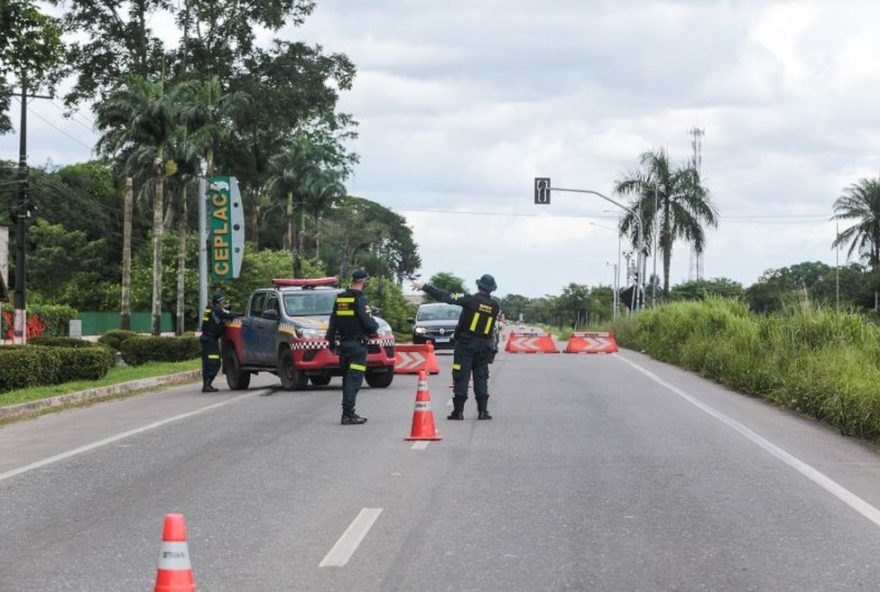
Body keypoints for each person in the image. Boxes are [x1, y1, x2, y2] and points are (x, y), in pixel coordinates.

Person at [412, 274, 501, 420]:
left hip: (465, 344)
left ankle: (458, 412)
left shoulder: (469, 300)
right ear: (492, 290)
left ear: (479, 286)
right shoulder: (495, 306)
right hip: (484, 346)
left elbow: (445, 296)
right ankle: (483, 411)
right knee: (481, 377)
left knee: (461, 376)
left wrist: (424, 287)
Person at [325, 270, 379, 425]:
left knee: (347, 378)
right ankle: (348, 414)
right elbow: (368, 323)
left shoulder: (341, 298)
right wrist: (374, 328)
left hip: (344, 346)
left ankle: (347, 412)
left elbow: (333, 322)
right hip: (357, 347)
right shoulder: (360, 299)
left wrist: (331, 342)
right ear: (363, 282)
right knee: (353, 379)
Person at [199, 293, 238, 392]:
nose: (223, 303)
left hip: (207, 339)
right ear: (219, 301)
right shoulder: (216, 310)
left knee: (207, 363)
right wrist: (239, 314)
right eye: (222, 301)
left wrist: (227, 308)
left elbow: (222, 314)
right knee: (214, 362)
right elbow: (228, 315)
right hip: (210, 339)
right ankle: (207, 385)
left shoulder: (210, 308)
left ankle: (206, 385)